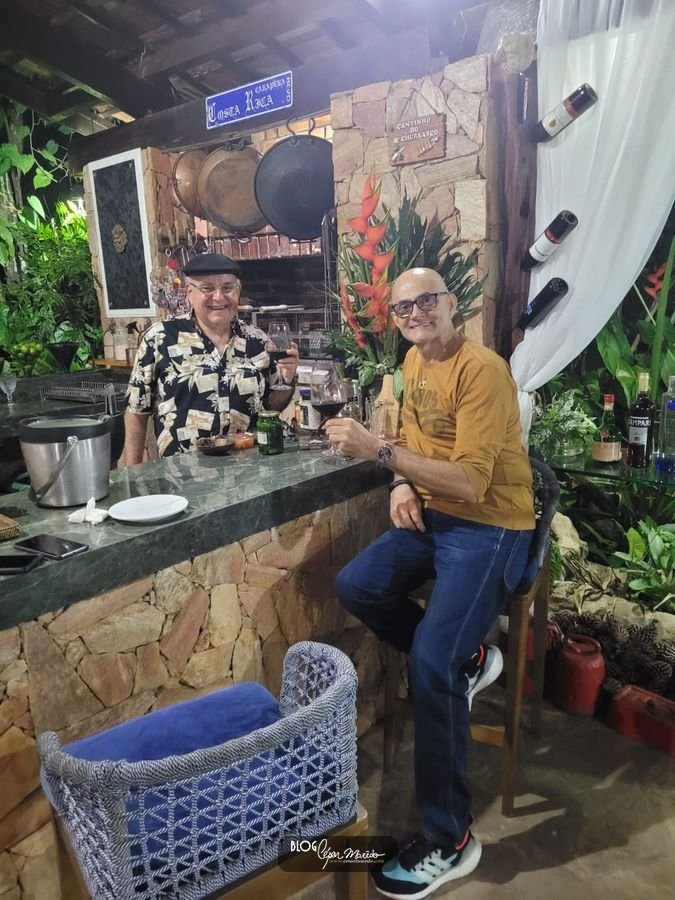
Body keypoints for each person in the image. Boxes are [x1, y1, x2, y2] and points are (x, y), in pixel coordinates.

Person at [326, 267, 535, 898]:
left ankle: (451, 840)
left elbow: (471, 482)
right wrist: (400, 483)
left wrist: (378, 454)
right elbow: (412, 444)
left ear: (452, 304)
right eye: (403, 308)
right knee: (356, 585)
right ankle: (467, 660)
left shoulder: (482, 371)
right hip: (437, 516)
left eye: (426, 301)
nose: (414, 314)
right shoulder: (414, 363)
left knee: (429, 661)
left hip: (491, 524)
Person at [124, 253, 298, 462]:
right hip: (181, 475)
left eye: (227, 288)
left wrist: (287, 379)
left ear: (238, 291)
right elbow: (137, 412)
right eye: (207, 288)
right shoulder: (160, 338)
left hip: (249, 471)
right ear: (189, 293)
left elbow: (273, 407)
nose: (219, 297)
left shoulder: (257, 340)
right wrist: (132, 473)